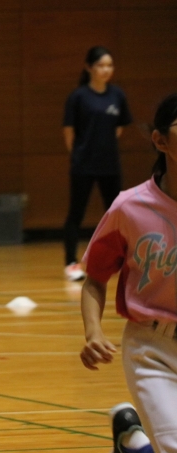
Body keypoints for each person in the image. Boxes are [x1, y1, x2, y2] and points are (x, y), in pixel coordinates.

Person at [79, 92, 177, 452]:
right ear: (160, 140)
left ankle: (133, 443)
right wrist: (93, 331)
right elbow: (95, 278)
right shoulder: (130, 207)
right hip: (152, 349)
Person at [62, 45, 132, 282]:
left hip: (110, 165)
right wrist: (79, 154)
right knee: (76, 213)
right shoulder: (78, 97)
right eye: (101, 65)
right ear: (89, 68)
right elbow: (69, 131)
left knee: (116, 213)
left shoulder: (117, 95)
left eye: (109, 65)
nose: (106, 70)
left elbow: (119, 128)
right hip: (83, 165)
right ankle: (71, 263)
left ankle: (119, 258)